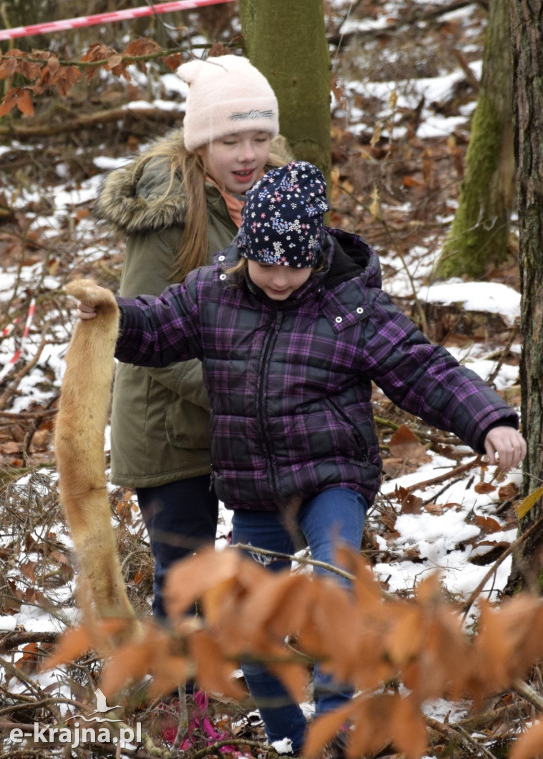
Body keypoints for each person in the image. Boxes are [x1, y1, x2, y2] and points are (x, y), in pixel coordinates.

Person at [79, 161, 527, 757]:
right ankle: (292, 739)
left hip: (331, 479)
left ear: (316, 252)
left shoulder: (352, 308)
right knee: (244, 622)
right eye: (267, 264)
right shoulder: (212, 293)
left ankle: (339, 725)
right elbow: (157, 328)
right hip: (255, 493)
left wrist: (488, 418)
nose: (281, 278)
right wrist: (113, 316)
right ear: (244, 250)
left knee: (334, 587)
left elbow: (422, 369)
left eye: (296, 264)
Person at [93, 54, 290, 623]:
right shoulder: (171, 208)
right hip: (167, 425)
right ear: (201, 142)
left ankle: (235, 670)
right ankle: (180, 706)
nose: (247, 154)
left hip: (239, 418)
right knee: (185, 576)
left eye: (258, 137)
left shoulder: (274, 196)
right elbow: (137, 329)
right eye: (230, 141)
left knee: (258, 561)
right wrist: (235, 387)